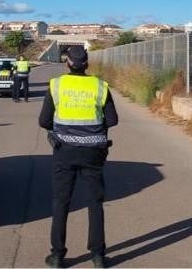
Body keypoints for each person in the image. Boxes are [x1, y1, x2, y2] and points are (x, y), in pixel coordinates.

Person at [38, 46, 119, 268]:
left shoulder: (56, 85)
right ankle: (98, 256)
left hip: (64, 151)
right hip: (93, 153)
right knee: (95, 202)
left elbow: (44, 121)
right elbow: (112, 120)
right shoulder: (100, 87)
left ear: (67, 64)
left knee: (61, 202)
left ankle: (57, 256)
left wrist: (61, 128)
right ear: (87, 65)